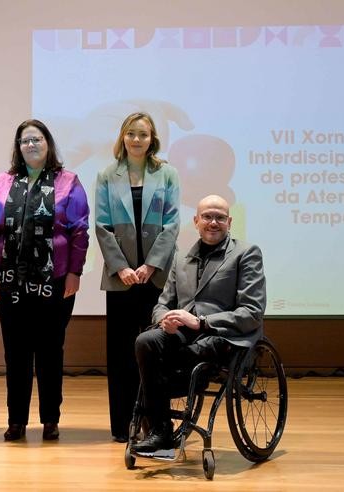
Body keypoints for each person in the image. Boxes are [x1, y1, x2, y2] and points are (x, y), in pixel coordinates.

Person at [0, 119, 89, 441]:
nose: (31, 145)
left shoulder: (68, 182)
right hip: (11, 282)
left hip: (54, 280)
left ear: (48, 143)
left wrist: (74, 272)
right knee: (15, 353)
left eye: (37, 139)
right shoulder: (2, 182)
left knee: (50, 351)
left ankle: (50, 419)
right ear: (18, 147)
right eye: (25, 141)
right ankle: (16, 421)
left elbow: (79, 230)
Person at [132, 194, 266, 453]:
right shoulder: (181, 258)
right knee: (146, 342)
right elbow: (162, 303)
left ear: (229, 221)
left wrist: (202, 322)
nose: (213, 222)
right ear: (196, 221)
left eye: (219, 217)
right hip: (184, 335)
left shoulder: (246, 253)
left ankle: (161, 396)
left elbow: (252, 312)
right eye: (207, 216)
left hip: (225, 335)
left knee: (185, 357)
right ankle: (161, 431)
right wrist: (164, 320)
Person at [95, 112, 180, 442]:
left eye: (143, 134)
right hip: (121, 279)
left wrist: (150, 266)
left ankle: (155, 423)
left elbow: (172, 224)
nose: (136, 139)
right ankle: (122, 426)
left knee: (155, 352)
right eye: (131, 133)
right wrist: (122, 268)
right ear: (122, 137)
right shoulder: (106, 174)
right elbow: (102, 225)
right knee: (120, 354)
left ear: (152, 139)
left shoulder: (167, 173)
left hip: (155, 279)